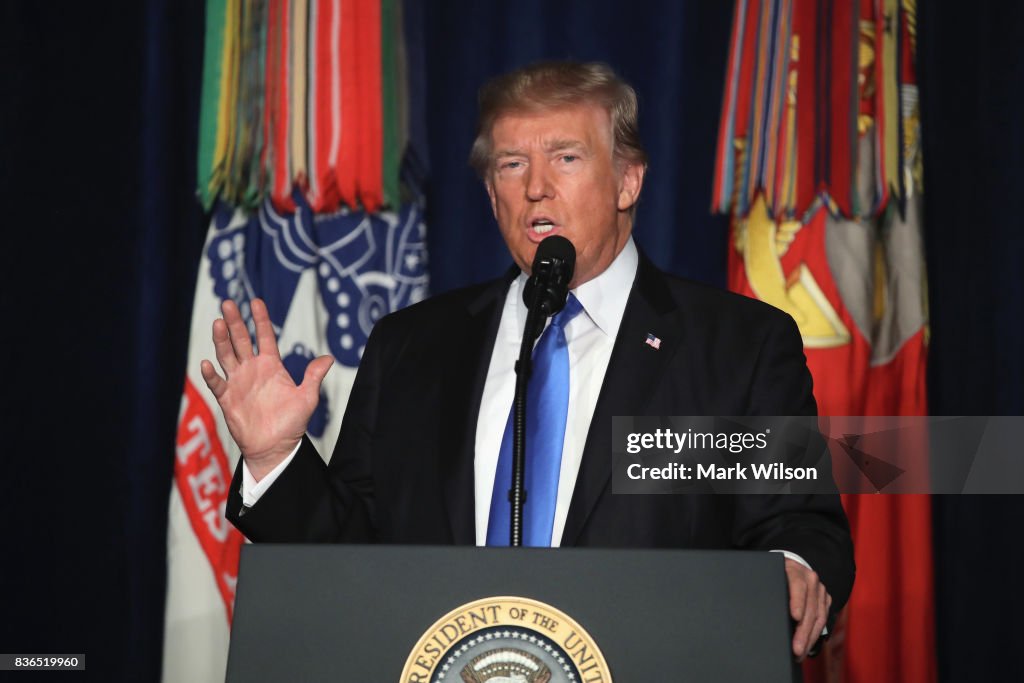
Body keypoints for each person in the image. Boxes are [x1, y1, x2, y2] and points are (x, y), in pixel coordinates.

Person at [201, 61, 854, 660]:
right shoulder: (411, 346)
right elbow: (352, 564)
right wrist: (274, 459)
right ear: (491, 194)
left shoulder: (736, 345)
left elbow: (798, 521)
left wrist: (792, 568)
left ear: (628, 180)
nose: (537, 187)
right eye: (511, 164)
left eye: (566, 157)